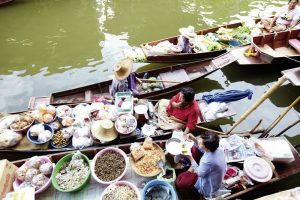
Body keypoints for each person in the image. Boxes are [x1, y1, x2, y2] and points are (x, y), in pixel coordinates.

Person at [175, 131, 227, 199]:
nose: (199, 141)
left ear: (207, 147)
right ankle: (189, 167)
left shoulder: (208, 161)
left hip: (208, 184)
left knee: (179, 182)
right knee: (194, 148)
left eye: (201, 142)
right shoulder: (217, 148)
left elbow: (199, 173)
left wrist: (190, 157)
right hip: (210, 170)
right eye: (201, 139)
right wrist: (194, 139)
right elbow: (203, 150)